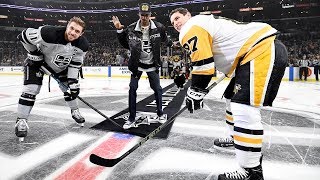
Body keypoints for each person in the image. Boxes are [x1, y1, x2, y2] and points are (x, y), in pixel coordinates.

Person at [170, 8, 288, 180]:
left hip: (260, 50)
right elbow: (203, 61)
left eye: (178, 18)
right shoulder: (202, 24)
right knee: (231, 98)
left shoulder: (191, 26)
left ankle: (250, 171)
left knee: (243, 108)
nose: (176, 23)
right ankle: (235, 137)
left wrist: (196, 90)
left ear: (188, 15)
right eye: (173, 22)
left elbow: (204, 67)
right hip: (252, 54)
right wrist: (194, 84)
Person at [15, 17, 89, 141]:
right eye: (71, 28)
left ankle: (75, 111)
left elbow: (75, 64)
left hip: (61, 68)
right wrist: (34, 53)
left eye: (77, 31)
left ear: (81, 34)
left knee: (70, 90)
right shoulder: (48, 33)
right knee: (31, 90)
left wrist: (73, 82)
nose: (73, 32)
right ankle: (21, 120)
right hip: (37, 64)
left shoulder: (82, 45)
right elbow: (23, 36)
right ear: (67, 26)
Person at [112, 3, 173, 129]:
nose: (144, 17)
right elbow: (125, 44)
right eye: (142, 15)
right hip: (137, 65)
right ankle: (131, 118)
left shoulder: (159, 27)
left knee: (157, 89)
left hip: (152, 64)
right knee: (132, 89)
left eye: (146, 15)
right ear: (138, 14)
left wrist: (174, 44)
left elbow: (166, 40)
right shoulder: (131, 28)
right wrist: (119, 30)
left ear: (150, 15)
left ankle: (160, 113)